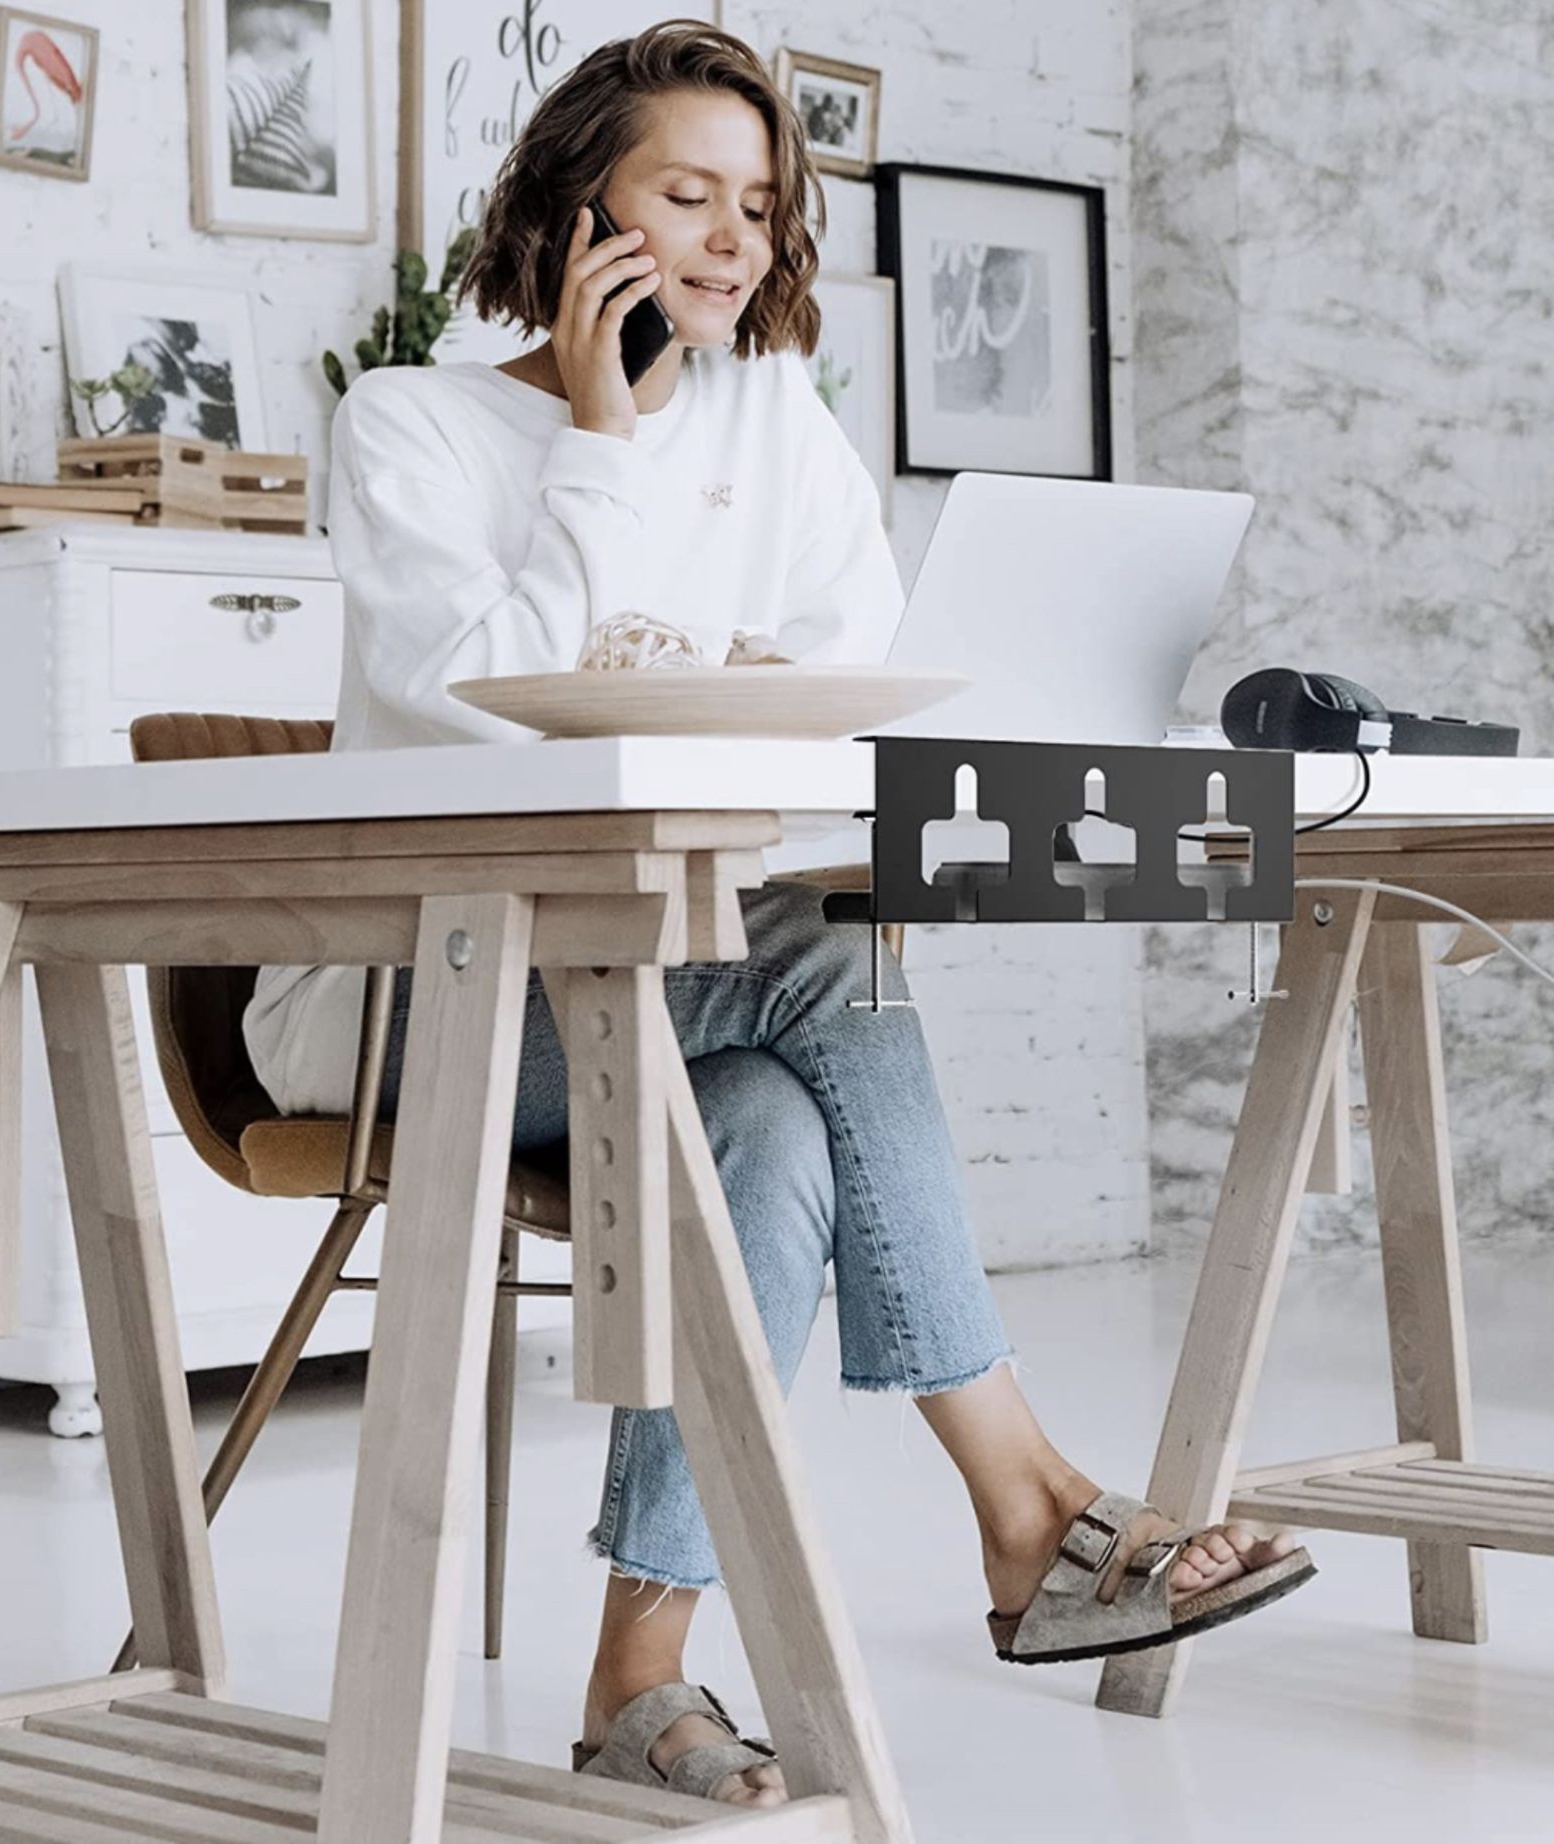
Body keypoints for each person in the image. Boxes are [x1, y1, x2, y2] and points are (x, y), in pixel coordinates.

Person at [244, 19, 1312, 1813]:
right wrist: (598, 434)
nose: (734, 239)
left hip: (674, 996)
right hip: (423, 1004)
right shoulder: (411, 421)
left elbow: (852, 697)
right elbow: (478, 692)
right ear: (580, 203)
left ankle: (639, 1677)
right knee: (820, 961)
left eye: (758, 202)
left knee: (763, 1128)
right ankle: (1029, 1504)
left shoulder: (775, 425)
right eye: (686, 194)